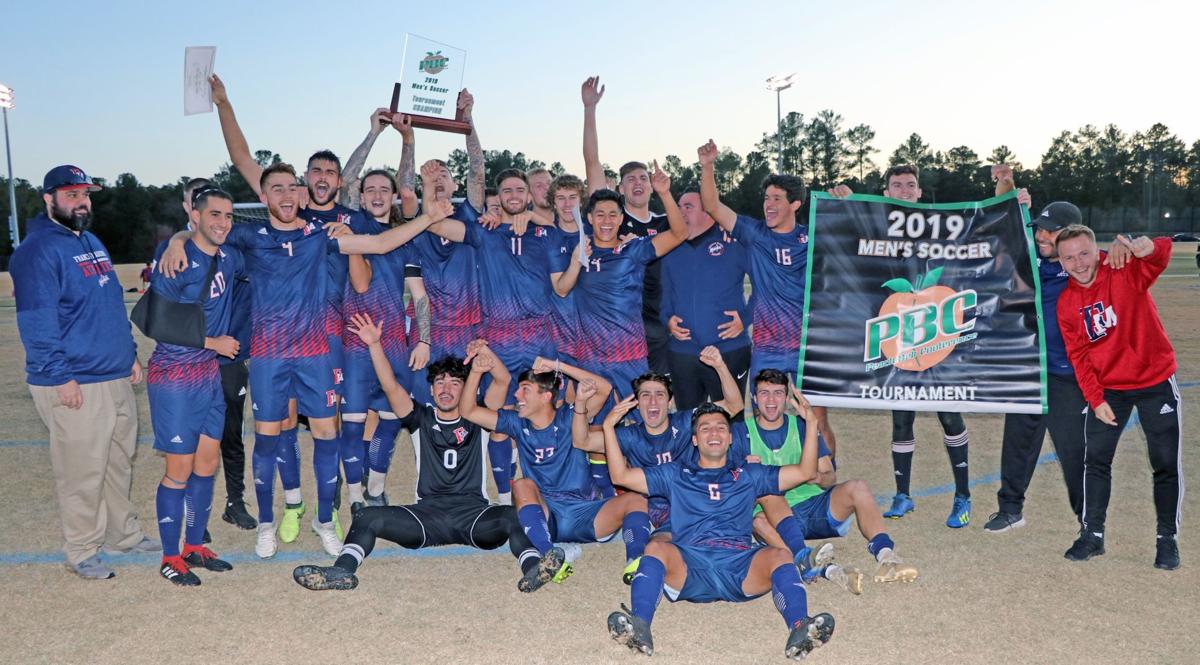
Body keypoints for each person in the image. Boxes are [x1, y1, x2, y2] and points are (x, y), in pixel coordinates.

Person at [158, 163, 454, 558]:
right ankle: (266, 523)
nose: (285, 195)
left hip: (315, 355)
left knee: (326, 439)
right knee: (266, 442)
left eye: (291, 188)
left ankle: (323, 520)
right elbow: (203, 233)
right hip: (268, 356)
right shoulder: (248, 235)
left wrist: (429, 218)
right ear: (263, 199)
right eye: (275, 189)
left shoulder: (321, 234)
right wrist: (177, 239)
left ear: (300, 195)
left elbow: (381, 244)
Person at [293, 316, 549, 591]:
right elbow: (390, 385)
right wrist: (375, 345)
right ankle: (341, 572)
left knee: (513, 514)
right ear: (430, 390)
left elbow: (503, 379)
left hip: (473, 514)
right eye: (440, 382)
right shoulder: (419, 418)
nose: (446, 388)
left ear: (466, 389)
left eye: (454, 383)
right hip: (426, 515)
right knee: (367, 517)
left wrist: (483, 353)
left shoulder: (479, 416)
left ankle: (534, 569)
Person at [601, 399, 835, 659]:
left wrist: (811, 423)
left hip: (739, 566)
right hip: (689, 565)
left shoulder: (749, 473)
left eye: (721, 428)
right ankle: (640, 623)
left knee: (781, 555)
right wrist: (609, 428)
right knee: (655, 548)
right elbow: (620, 476)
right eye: (705, 428)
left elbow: (805, 471)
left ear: (731, 438)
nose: (714, 433)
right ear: (694, 440)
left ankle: (800, 625)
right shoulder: (675, 473)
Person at [12, 165, 157, 580]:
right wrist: (59, 377)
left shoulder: (90, 241)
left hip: (111, 374)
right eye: (72, 194)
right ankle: (81, 549)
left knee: (117, 461)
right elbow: (37, 322)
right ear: (49, 199)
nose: (81, 202)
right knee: (81, 469)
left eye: (86, 195)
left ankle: (122, 535)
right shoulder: (38, 249)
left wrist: (128, 353)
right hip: (76, 379)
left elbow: (110, 304)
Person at [985, 168, 1133, 534]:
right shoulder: (1031, 259)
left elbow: (1129, 258)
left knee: (1074, 452)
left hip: (1070, 376)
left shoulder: (1088, 264)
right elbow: (998, 229)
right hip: (1030, 369)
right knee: (1017, 442)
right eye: (1039, 228)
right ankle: (1010, 508)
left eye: (1050, 231)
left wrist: (1126, 242)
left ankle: (1090, 522)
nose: (1041, 235)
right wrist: (1005, 188)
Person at [828, 165, 970, 527]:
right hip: (899, 332)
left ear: (920, 192)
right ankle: (903, 494)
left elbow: (982, 237)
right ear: (886, 192)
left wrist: (1009, 197)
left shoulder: (941, 225)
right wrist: (845, 204)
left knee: (949, 413)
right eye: (896, 186)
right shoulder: (878, 227)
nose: (904, 190)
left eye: (910, 185)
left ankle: (963, 495)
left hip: (938, 329)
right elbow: (848, 238)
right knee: (901, 417)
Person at [459, 352, 654, 590]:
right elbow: (468, 411)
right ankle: (550, 555)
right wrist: (476, 373)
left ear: (546, 396)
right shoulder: (516, 423)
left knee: (635, 500)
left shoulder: (570, 417)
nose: (517, 395)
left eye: (525, 389)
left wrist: (556, 366)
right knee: (521, 485)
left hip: (589, 514)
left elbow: (603, 388)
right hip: (547, 516)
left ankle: (636, 561)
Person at [698, 138, 838, 461]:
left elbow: (855, 237)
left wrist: (842, 198)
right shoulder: (754, 233)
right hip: (767, 347)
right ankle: (759, 486)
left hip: (807, 348)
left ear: (796, 205)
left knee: (816, 420)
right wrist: (708, 166)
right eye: (766, 198)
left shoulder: (813, 236)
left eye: (777, 198)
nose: (768, 204)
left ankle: (825, 482)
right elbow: (713, 206)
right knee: (761, 419)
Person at [1055, 225, 1182, 570]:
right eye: (1069, 258)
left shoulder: (1123, 268)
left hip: (1154, 379)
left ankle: (1166, 539)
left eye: (1084, 254)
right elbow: (1078, 356)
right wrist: (1095, 399)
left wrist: (1147, 247)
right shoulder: (1067, 303)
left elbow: (1162, 254)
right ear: (1061, 262)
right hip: (1111, 389)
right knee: (1096, 461)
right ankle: (1092, 535)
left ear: (1095, 250)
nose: (1078, 264)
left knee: (1164, 463)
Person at [743, 370, 918, 595]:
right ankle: (821, 567)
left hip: (813, 505)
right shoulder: (740, 433)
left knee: (858, 487)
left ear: (788, 399)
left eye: (778, 393)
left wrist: (816, 476)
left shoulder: (802, 425)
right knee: (759, 517)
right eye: (764, 393)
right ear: (754, 399)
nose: (771, 400)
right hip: (773, 518)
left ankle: (886, 557)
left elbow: (829, 477)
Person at [147, 187, 244, 585]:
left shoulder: (229, 256)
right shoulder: (177, 260)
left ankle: (193, 546)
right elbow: (158, 323)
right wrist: (213, 343)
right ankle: (170, 556)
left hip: (208, 375)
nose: (222, 222)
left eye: (228, 216)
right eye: (215, 215)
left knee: (206, 466)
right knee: (179, 470)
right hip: (174, 377)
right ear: (197, 217)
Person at [574, 347, 745, 560]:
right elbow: (582, 441)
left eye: (659, 395)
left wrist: (720, 366)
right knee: (656, 548)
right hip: (655, 509)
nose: (653, 402)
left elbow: (734, 405)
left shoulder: (685, 422)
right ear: (636, 403)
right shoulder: (630, 435)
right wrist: (586, 408)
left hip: (693, 500)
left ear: (670, 402)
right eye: (645, 396)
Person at [342, 170, 428, 512]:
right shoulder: (347, 231)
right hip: (356, 342)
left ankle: (375, 489)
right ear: (361, 197)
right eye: (370, 190)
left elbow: (419, 295)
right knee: (353, 424)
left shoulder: (405, 239)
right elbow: (361, 285)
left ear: (393, 196)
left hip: (393, 341)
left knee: (391, 421)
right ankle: (354, 498)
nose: (377, 195)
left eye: (384, 189)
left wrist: (424, 340)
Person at [176, 177, 258, 533]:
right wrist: (177, 241)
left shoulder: (231, 245)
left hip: (230, 358)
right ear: (189, 209)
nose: (219, 220)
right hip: (190, 360)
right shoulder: (175, 251)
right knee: (191, 438)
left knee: (231, 434)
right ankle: (195, 511)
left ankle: (234, 502)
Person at [581, 77, 673, 376]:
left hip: (660, 320)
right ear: (620, 188)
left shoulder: (664, 222)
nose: (637, 183)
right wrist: (590, 109)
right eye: (630, 179)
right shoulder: (612, 221)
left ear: (652, 185)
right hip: (618, 322)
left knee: (656, 392)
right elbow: (592, 162)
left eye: (643, 178)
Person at [660, 189, 751, 410]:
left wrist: (745, 318)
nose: (680, 211)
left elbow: (764, 286)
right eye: (678, 206)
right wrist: (668, 320)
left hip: (728, 348)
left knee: (731, 419)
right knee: (688, 420)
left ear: (708, 212)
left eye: (687, 207)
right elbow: (665, 295)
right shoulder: (670, 246)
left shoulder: (733, 242)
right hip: (684, 352)